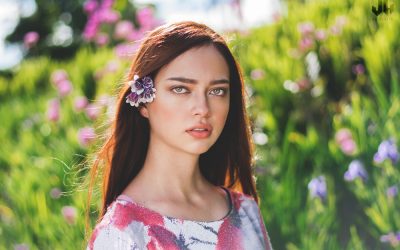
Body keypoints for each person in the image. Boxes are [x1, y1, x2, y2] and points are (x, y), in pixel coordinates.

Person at [86, 21, 273, 250]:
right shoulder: (121, 234)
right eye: (181, 89)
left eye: (217, 91)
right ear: (143, 102)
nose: (203, 108)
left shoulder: (246, 212)